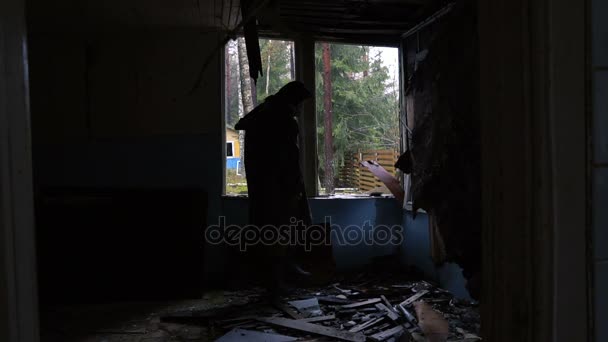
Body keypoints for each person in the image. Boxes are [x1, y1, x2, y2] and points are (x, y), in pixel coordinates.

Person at [234, 81, 313, 295]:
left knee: (270, 232)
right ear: (293, 101)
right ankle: (276, 281)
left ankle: (277, 277)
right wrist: (293, 187)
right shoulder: (283, 121)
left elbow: (242, 125)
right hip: (278, 189)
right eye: (300, 104)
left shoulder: (264, 114)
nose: (300, 110)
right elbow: (288, 160)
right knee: (277, 233)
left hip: (264, 188)